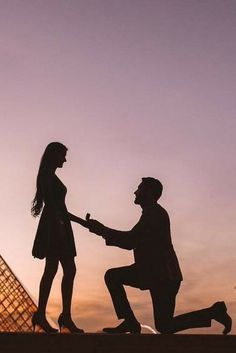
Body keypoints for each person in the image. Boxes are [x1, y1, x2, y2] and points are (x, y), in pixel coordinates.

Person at [86, 177, 232, 334]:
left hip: (163, 276)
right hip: (154, 273)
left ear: (149, 192)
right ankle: (214, 312)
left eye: (139, 188)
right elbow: (132, 241)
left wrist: (102, 230)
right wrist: (102, 230)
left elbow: (130, 241)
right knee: (164, 325)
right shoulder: (151, 213)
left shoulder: (154, 213)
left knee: (113, 277)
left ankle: (130, 322)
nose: (135, 192)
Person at [31, 142, 87, 333]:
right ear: (53, 154)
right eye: (63, 155)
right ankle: (59, 316)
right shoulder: (47, 175)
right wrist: (61, 225)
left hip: (58, 223)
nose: (65, 159)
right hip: (56, 226)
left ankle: (55, 315)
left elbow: (60, 207)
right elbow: (53, 205)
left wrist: (80, 222)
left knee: (60, 270)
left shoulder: (49, 175)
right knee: (58, 269)